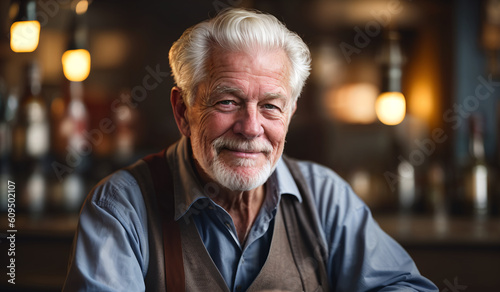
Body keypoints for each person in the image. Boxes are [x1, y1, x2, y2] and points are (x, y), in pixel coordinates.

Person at [63, 8, 438, 292]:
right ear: (182, 111)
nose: (251, 128)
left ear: (290, 113)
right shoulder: (120, 207)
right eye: (227, 102)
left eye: (271, 106)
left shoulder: (325, 197)